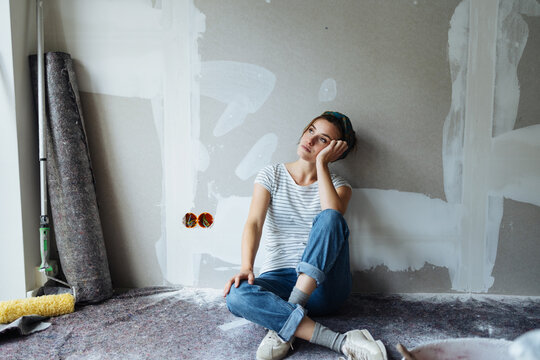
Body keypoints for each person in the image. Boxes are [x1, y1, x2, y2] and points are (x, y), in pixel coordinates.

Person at [223, 111, 387, 360]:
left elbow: (332, 218)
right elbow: (254, 223)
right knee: (236, 295)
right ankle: (341, 341)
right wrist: (246, 266)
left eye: (322, 139)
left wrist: (321, 164)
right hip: (278, 279)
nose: (310, 141)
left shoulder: (341, 186)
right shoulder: (272, 175)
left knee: (330, 217)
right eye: (311, 130)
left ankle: (284, 322)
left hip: (324, 287)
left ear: (335, 152)